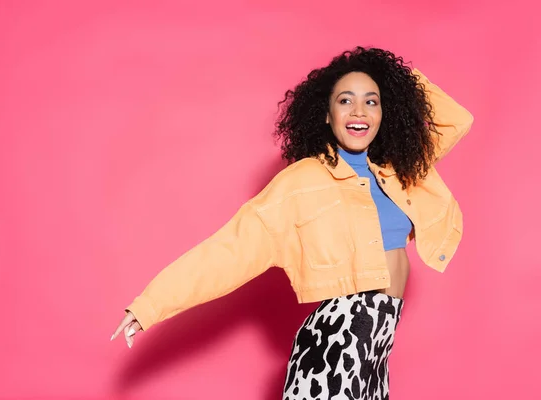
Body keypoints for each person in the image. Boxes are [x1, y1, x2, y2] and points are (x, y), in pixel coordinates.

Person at [111, 46, 474, 399]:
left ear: (385, 113)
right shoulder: (302, 182)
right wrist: (150, 306)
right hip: (337, 342)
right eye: (345, 100)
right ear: (327, 115)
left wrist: (392, 75)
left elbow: (458, 120)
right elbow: (230, 249)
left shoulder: (397, 171)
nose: (359, 110)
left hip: (378, 346)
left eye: (372, 100)